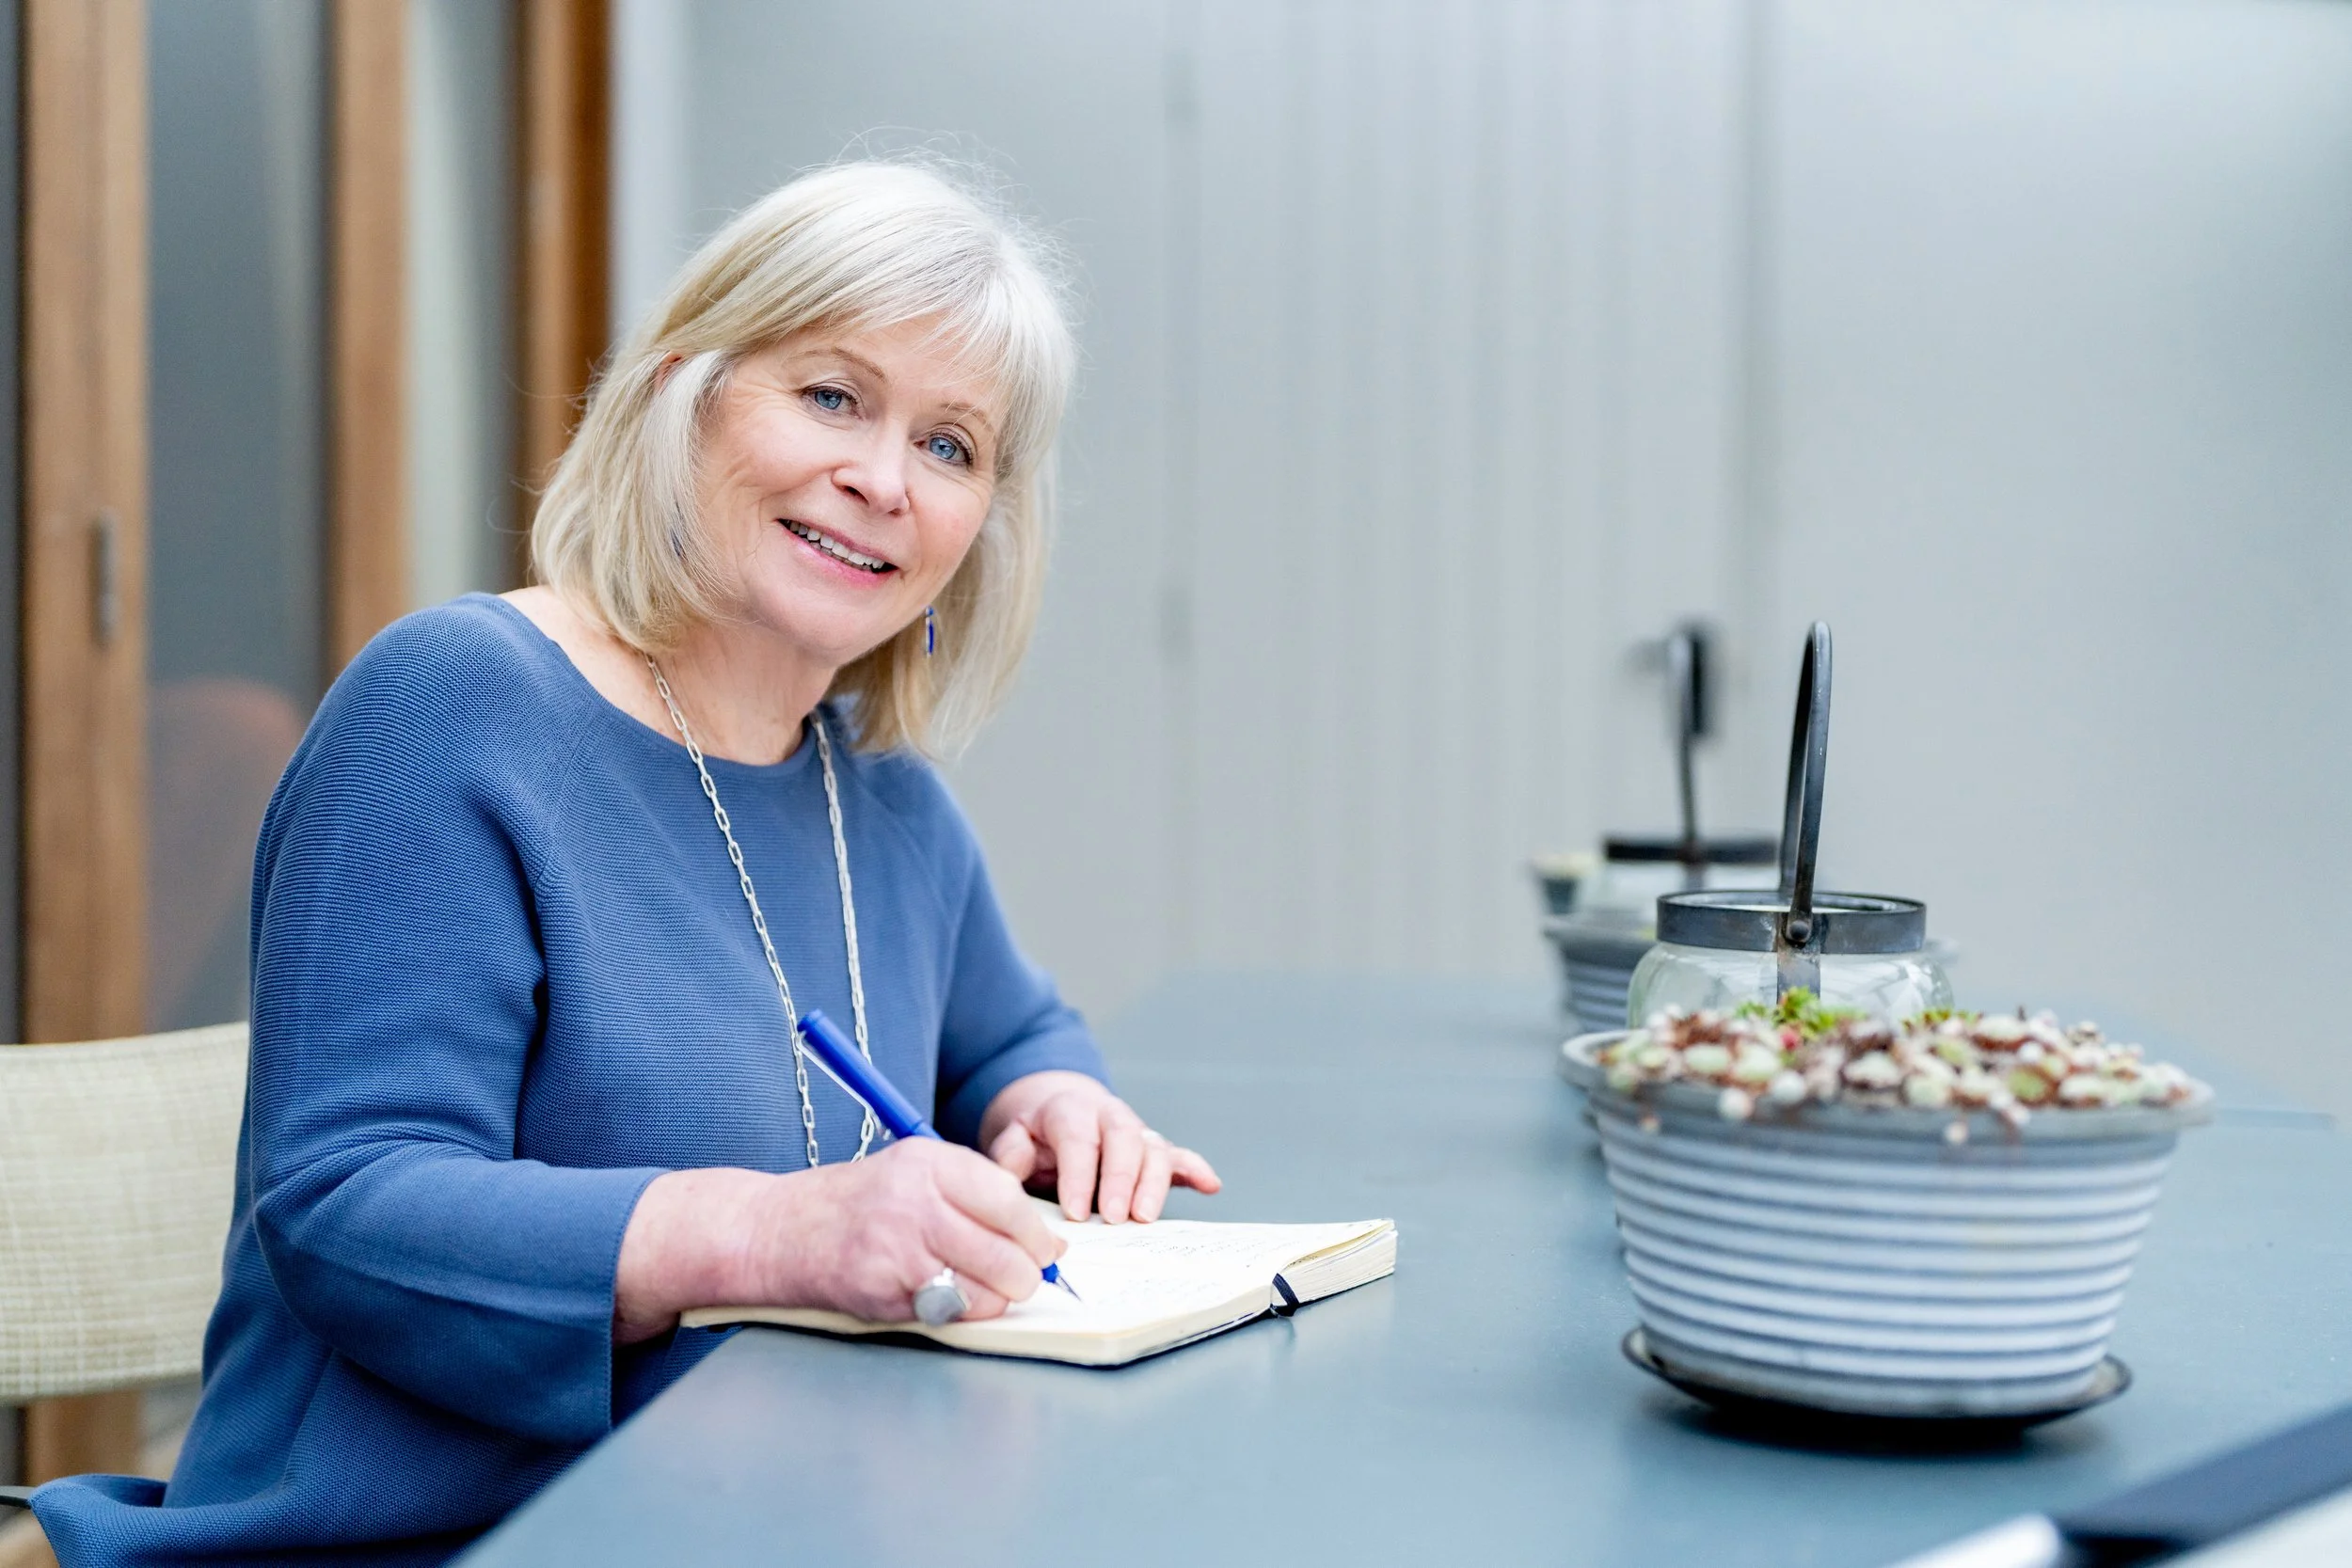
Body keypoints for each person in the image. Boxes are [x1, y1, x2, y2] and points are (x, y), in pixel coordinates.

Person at [34, 160, 1218, 1567]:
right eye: (832, 396)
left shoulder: (880, 794)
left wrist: (1054, 1096)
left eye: (952, 447)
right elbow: (347, 1201)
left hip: (768, 1519)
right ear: (681, 391)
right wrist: (775, 1232)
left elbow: (1010, 1028)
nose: (883, 479)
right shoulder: (454, 707)